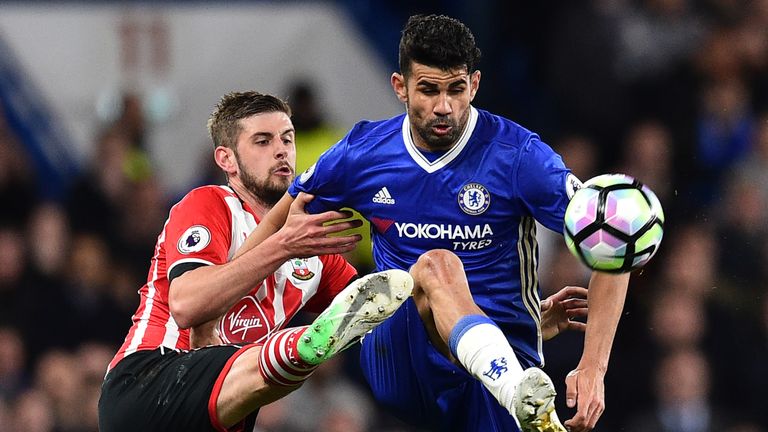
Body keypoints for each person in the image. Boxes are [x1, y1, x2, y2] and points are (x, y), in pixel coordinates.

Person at [248, 14, 630, 432]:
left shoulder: (520, 157)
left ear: (476, 85)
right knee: (435, 267)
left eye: (456, 89)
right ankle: (510, 386)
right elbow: (275, 224)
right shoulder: (363, 153)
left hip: (499, 360)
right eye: (429, 90)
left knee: (447, 286)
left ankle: (508, 384)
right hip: (400, 356)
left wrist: (593, 368)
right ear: (400, 87)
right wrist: (228, 287)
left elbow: (614, 246)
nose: (443, 106)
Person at [97, 91, 416, 432]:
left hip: (221, 414)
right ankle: (301, 347)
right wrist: (283, 245)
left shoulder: (311, 244)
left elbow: (376, 300)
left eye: (287, 139)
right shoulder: (209, 204)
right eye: (262, 141)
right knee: (283, 366)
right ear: (227, 160)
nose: (281, 150)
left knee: (280, 376)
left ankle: (304, 349)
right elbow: (187, 304)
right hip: (150, 383)